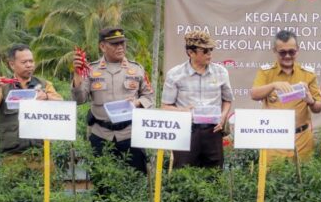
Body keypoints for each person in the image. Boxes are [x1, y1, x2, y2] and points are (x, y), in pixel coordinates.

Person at [72, 28, 154, 173]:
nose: (120, 47)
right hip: (101, 135)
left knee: (134, 182)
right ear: (102, 46)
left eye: (122, 43)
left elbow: (149, 97)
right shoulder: (91, 70)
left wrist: (137, 103)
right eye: (115, 44)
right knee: (102, 185)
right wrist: (77, 75)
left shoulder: (137, 69)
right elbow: (79, 99)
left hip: (131, 135)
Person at [162, 30, 233, 169]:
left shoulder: (221, 72)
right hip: (186, 130)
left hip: (213, 130)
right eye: (205, 51)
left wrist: (223, 116)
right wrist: (183, 110)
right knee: (184, 173)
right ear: (191, 52)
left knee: (215, 173)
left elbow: (227, 100)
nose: (209, 54)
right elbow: (165, 106)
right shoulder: (175, 74)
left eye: (210, 50)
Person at [251, 29, 321, 162]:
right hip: (274, 138)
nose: (288, 56)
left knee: (303, 179)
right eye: (282, 52)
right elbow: (254, 94)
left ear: (298, 50)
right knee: (273, 178)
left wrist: (310, 101)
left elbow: (318, 107)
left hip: (301, 139)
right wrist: (273, 85)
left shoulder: (308, 74)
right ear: (274, 51)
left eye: (292, 52)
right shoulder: (266, 72)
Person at [0, 44, 63, 158]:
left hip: (42, 153)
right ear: (12, 64)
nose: (29, 65)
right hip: (12, 154)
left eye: (31, 61)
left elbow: (61, 103)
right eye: (24, 62)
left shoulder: (44, 84)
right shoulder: (4, 86)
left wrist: (47, 97)